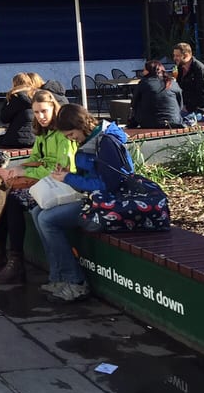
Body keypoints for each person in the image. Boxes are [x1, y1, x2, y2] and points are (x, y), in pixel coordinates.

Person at [32, 104, 134, 302]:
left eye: (71, 134)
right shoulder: (91, 139)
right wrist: (69, 174)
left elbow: (107, 184)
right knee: (37, 211)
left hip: (110, 204)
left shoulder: (106, 143)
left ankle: (75, 282)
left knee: (47, 219)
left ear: (81, 126)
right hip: (94, 198)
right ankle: (58, 277)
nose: (71, 139)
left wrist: (69, 179)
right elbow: (91, 174)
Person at [0, 89, 76, 283]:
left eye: (44, 111)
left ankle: (16, 261)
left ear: (53, 109)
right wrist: (20, 167)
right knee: (0, 191)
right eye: (37, 112)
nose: (40, 117)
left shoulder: (63, 134)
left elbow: (62, 170)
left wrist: (25, 172)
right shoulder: (42, 132)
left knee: (14, 200)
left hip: (56, 185)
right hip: (40, 181)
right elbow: (35, 159)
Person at [0, 72, 43, 150]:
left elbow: (4, 118)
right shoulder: (37, 95)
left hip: (17, 140)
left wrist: (7, 101)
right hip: (36, 138)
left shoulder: (15, 96)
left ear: (15, 83)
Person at [128, 60, 183, 128]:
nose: (143, 72)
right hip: (174, 122)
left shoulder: (144, 83)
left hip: (149, 123)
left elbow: (134, 103)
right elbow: (180, 104)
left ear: (149, 71)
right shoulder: (173, 83)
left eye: (144, 70)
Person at [173, 42, 204, 115]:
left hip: (199, 111)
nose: (174, 58)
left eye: (177, 56)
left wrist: (189, 107)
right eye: (174, 55)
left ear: (186, 55)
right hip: (184, 107)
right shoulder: (180, 67)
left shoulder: (200, 69)